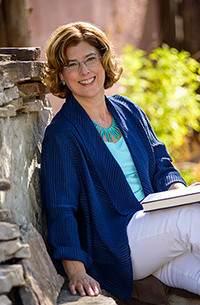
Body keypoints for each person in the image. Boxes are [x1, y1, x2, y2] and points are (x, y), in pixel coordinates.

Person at [40, 21, 200, 301]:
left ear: (104, 60)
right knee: (190, 219)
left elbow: (163, 166)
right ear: (62, 75)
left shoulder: (129, 110)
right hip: (117, 243)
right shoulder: (62, 134)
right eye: (72, 64)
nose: (85, 71)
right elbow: (61, 209)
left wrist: (179, 197)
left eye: (90, 59)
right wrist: (76, 271)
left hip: (157, 235)